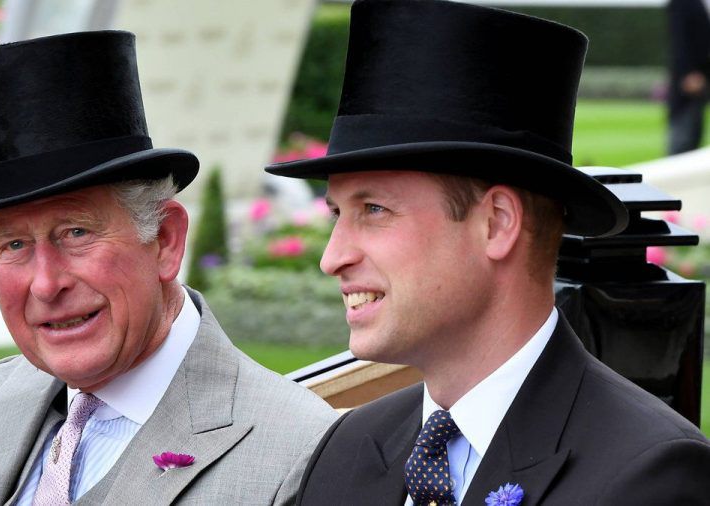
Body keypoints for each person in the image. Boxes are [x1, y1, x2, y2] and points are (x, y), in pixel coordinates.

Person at [0, 31, 336, 504]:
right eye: (14, 244)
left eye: (76, 233)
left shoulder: (298, 451)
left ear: (166, 241)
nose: (46, 283)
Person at [266, 1, 710, 504]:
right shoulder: (348, 448)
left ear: (496, 223)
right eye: (336, 214)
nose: (333, 257)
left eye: (373, 209)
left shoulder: (645, 476)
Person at [667, 0, 710, 155]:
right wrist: (688, 72)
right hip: (690, 79)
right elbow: (679, 38)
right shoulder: (682, 2)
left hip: (703, 74)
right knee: (684, 138)